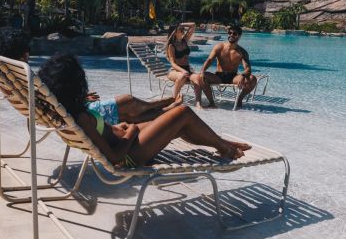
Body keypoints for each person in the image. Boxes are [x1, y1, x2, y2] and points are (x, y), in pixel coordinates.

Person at [37, 54, 250, 167]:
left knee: (176, 121)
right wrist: (130, 132)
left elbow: (103, 133)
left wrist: (120, 128)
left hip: (128, 140)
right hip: (131, 154)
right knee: (182, 113)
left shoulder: (67, 111)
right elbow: (114, 159)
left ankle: (220, 143)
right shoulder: (81, 118)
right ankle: (225, 147)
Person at [0, 28, 180, 124]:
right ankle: (166, 107)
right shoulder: (23, 75)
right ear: (18, 53)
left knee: (128, 112)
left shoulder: (10, 77)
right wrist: (78, 100)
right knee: (128, 103)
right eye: (25, 50)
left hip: (64, 111)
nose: (28, 53)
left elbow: (47, 99)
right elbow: (49, 100)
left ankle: (165, 107)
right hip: (74, 115)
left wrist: (79, 97)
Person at [191, 24, 257, 109]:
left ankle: (239, 99)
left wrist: (242, 75)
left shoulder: (242, 52)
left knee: (252, 79)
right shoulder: (220, 47)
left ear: (239, 36)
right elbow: (209, 60)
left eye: (234, 34)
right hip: (219, 76)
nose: (231, 35)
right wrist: (203, 70)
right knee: (201, 76)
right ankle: (212, 103)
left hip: (233, 77)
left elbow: (248, 68)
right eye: (230, 33)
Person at [165, 22, 201, 100]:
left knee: (198, 78)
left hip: (187, 69)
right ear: (174, 32)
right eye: (180, 29)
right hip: (175, 71)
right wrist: (182, 71)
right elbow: (172, 63)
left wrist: (180, 24)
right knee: (182, 76)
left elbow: (193, 25)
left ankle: (198, 102)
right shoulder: (171, 46)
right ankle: (174, 99)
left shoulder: (184, 40)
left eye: (183, 29)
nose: (182, 30)